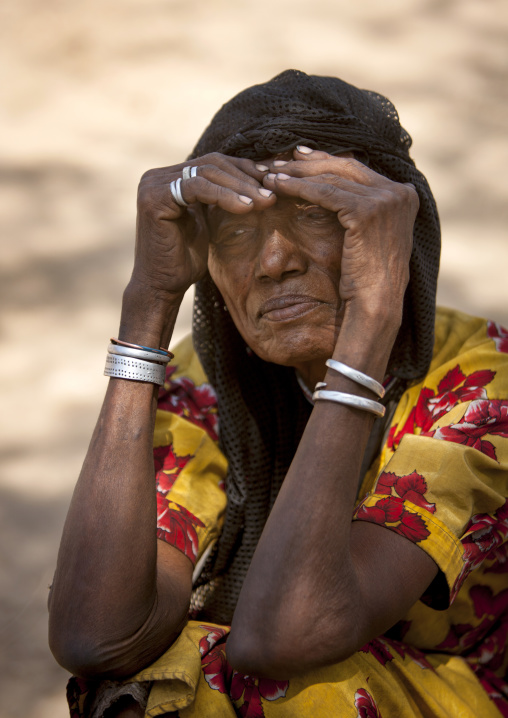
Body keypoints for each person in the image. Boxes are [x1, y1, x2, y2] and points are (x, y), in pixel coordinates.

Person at [48, 70, 508, 718]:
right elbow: (98, 635)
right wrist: (147, 303)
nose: (273, 262)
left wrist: (371, 319)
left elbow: (288, 635)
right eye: (235, 231)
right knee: (156, 676)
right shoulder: (207, 379)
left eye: (317, 216)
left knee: (261, 682)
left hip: (464, 694)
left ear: (389, 240)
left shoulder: (481, 385)